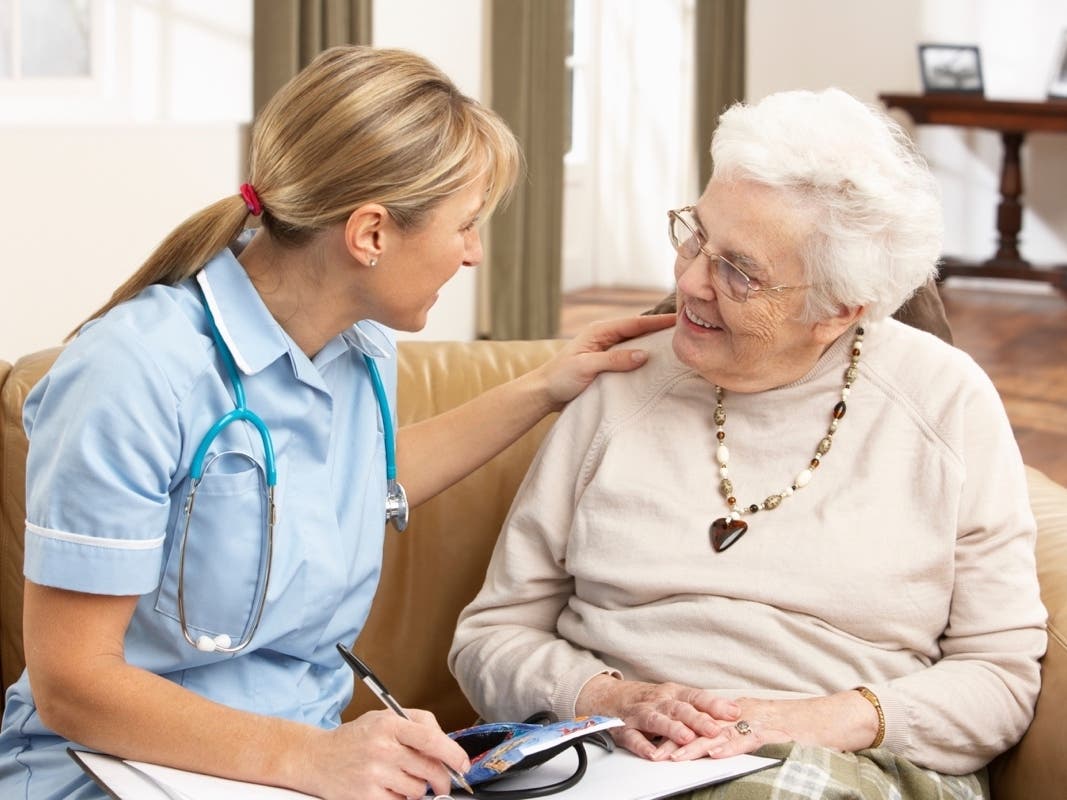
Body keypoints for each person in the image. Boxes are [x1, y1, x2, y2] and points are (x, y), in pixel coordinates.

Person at [0, 46, 673, 800]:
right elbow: (74, 685)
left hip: (297, 770)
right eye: (466, 225)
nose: (474, 254)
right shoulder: (133, 372)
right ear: (372, 234)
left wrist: (547, 386)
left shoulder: (359, 351)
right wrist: (307, 758)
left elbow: (354, 485)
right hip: (110, 775)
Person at [449, 88, 1047, 799]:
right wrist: (609, 699)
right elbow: (488, 637)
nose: (690, 281)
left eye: (739, 270)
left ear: (838, 309)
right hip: (601, 755)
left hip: (844, 765)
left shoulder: (942, 401)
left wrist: (791, 721)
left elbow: (999, 679)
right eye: (695, 236)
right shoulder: (621, 384)